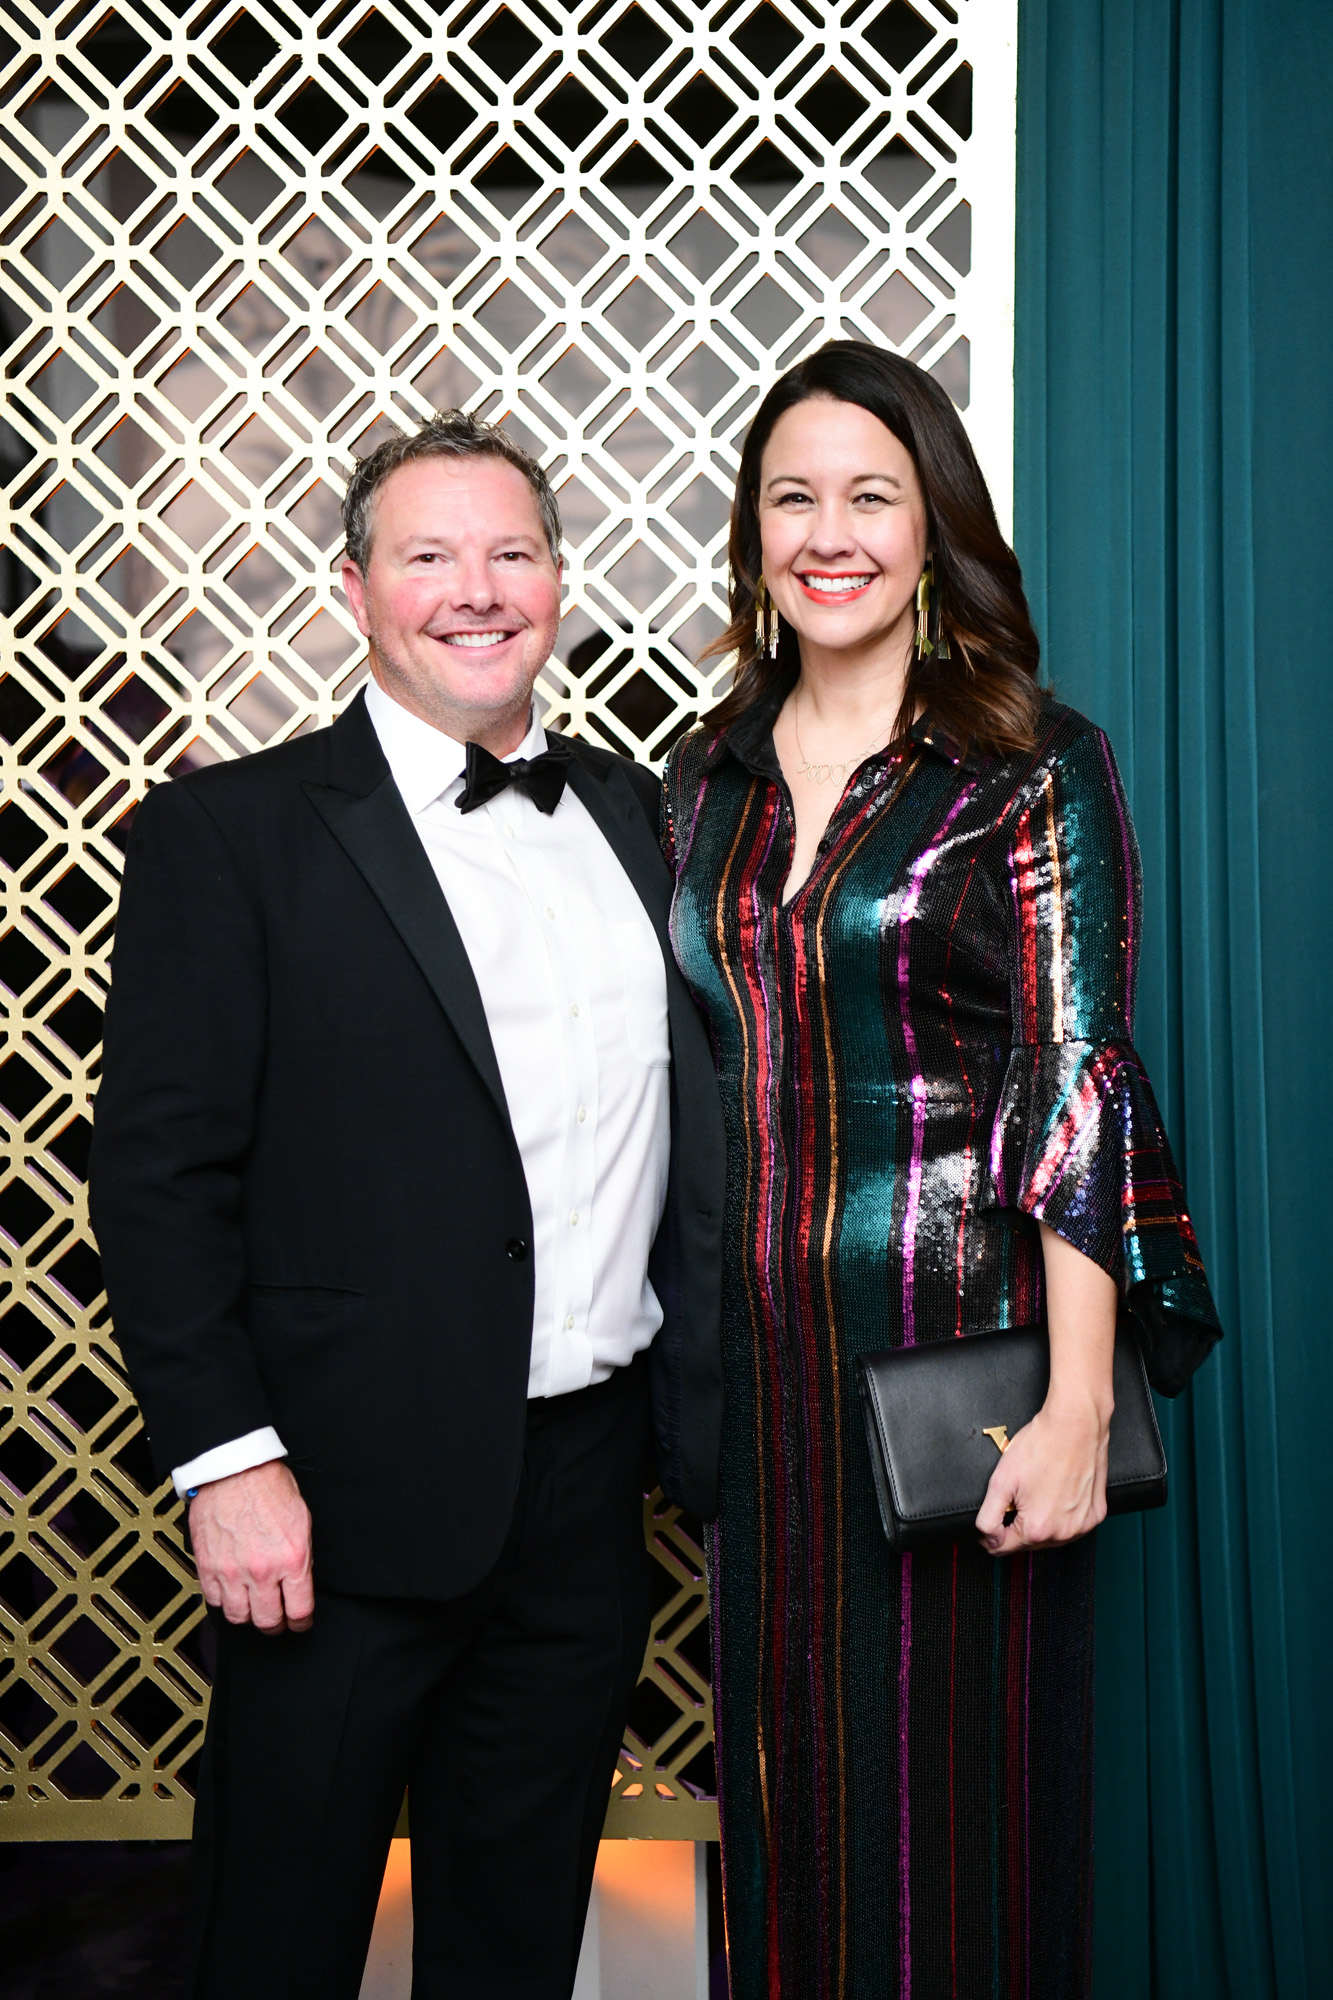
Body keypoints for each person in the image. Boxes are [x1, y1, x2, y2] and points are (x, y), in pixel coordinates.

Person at [88, 410, 726, 2000]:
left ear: (561, 581)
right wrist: (228, 1465)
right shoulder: (226, 834)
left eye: (511, 551)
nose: (475, 588)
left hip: (586, 1488)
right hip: (334, 1499)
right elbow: (158, 1180)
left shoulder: (645, 824)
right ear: (355, 589)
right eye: (427, 555)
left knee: (512, 1944)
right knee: (277, 1939)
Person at [662, 342, 1221, 1999]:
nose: (826, 533)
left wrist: (1067, 1408)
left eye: (869, 497)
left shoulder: (1029, 763)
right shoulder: (708, 777)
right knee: (783, 1821)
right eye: (791, 498)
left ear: (933, 532)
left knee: (950, 1844)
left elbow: (1077, 1082)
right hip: (754, 1394)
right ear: (754, 535)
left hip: (955, 1383)